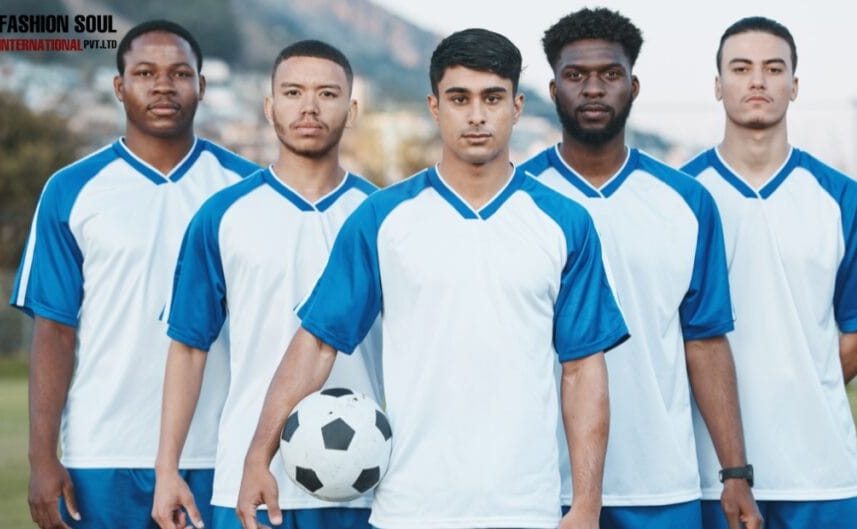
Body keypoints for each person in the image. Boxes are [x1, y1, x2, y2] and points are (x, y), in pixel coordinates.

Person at [236, 28, 629, 529]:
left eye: (492, 98)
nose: (477, 115)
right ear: (434, 106)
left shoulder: (565, 223)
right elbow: (316, 345)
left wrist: (587, 504)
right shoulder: (382, 219)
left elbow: (583, 370)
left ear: (518, 106)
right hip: (409, 509)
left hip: (526, 510)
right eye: (459, 98)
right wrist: (256, 457)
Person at [10, 20, 260, 529]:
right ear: (120, 87)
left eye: (180, 73)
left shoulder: (246, 189)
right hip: (103, 450)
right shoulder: (71, 189)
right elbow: (54, 329)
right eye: (145, 72)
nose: (163, 85)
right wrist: (42, 458)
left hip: (218, 450)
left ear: (202, 87)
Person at [520, 8, 761, 529]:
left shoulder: (686, 201)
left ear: (633, 86)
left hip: (661, 482)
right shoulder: (517, 198)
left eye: (609, 74)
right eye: (575, 75)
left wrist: (734, 471)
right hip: (539, 485)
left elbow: (705, 340)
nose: (593, 89)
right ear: (552, 87)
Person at [151, 40, 382, 529]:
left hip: (369, 482)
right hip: (249, 479)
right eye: (294, 91)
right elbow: (189, 349)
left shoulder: (386, 217)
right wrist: (166, 469)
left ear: (352, 108)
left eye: (327, 93)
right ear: (269, 106)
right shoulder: (222, 215)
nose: (310, 107)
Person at [680, 16, 857, 529]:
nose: (758, 80)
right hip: (704, 472)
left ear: (794, 86)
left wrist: (802, 389)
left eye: (773, 68)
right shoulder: (678, 198)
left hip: (819, 472)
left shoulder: (846, 201)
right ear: (718, 85)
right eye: (741, 68)